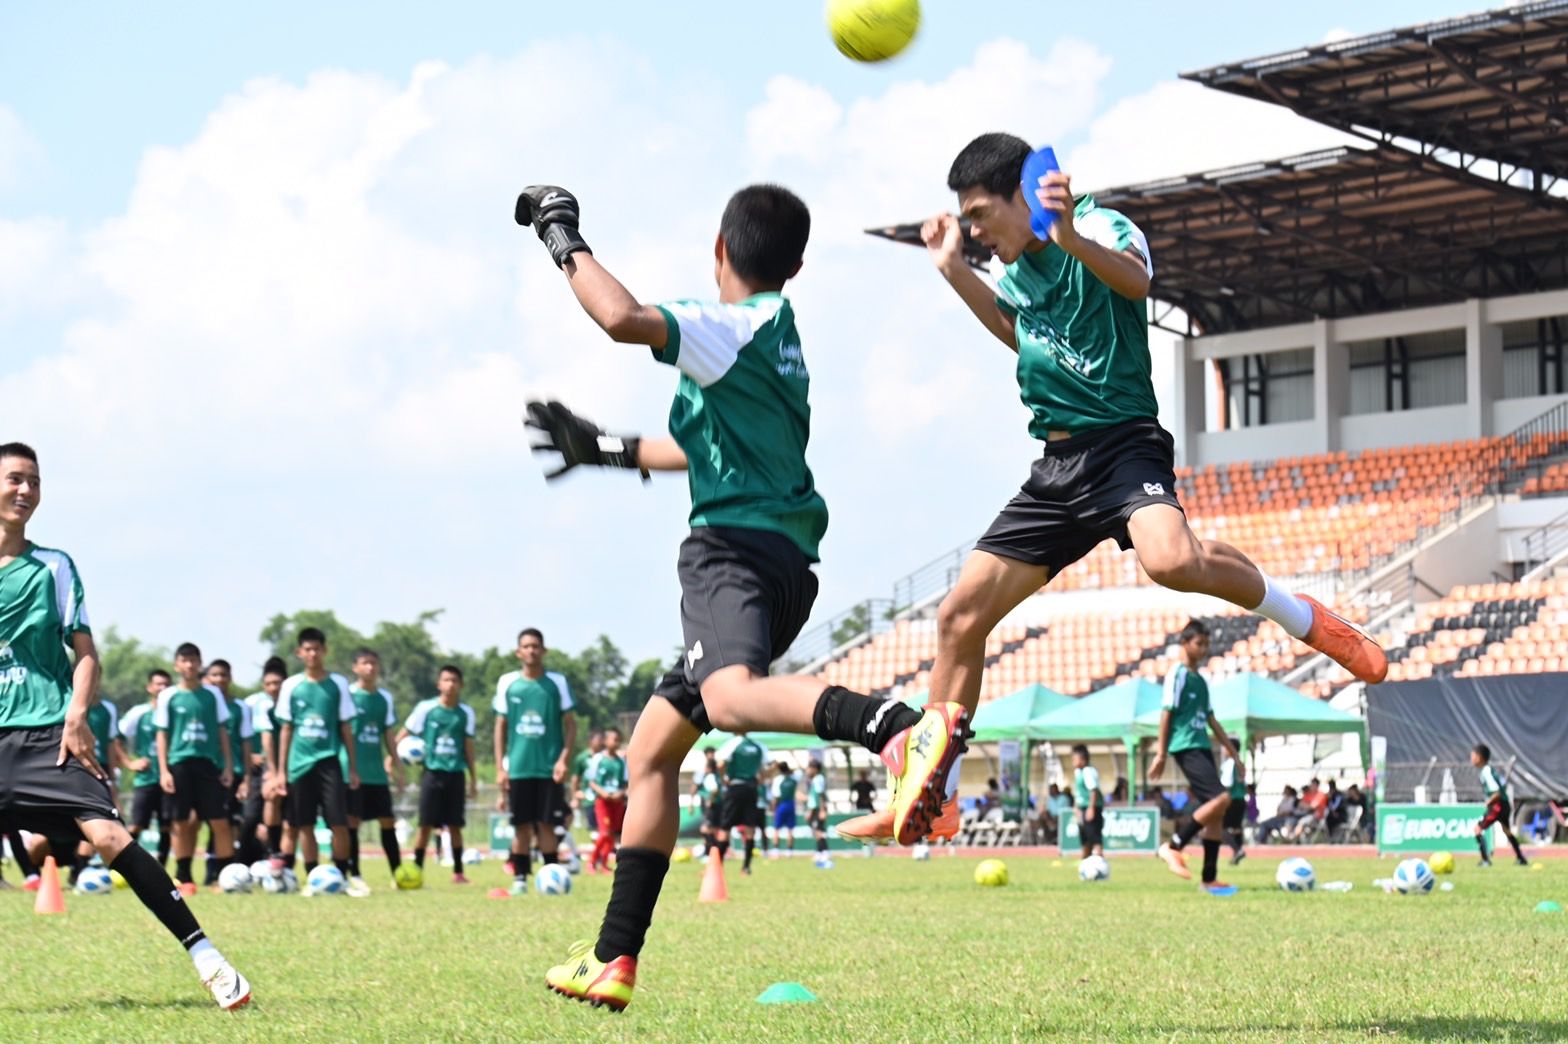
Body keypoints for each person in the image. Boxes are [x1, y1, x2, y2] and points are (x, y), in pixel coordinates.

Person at [838, 133, 1387, 846]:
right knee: (958, 617)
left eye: (977, 215)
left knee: (1171, 562)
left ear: (1022, 198)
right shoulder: (1012, 269)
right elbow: (1020, 332)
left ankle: (1302, 616)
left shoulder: (1098, 227)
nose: (970, 231)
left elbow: (1136, 282)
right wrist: (952, 272)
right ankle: (930, 791)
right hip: (1056, 467)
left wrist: (1064, 235)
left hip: (1124, 446)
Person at [517, 183, 971, 1011]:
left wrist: (559, 232)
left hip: (732, 555)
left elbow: (619, 316)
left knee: (729, 700)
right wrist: (603, 448)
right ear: (795, 265)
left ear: (719, 251)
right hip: (785, 560)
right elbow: (702, 450)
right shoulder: (777, 338)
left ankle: (899, 729)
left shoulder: (726, 326)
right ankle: (613, 958)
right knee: (650, 754)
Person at [0, 443, 250, 1007]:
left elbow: (86, 655)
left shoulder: (54, 567)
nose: (26, 491)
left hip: (47, 734)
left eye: (34, 482)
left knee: (111, 836)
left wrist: (76, 715)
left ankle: (208, 959)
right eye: (15, 479)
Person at [1151, 620, 1238, 891]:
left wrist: (1234, 754)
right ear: (1184, 643)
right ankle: (1173, 845)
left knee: (1216, 813)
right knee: (1222, 798)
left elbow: (1211, 719)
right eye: (1199, 643)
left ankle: (1209, 879)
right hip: (1185, 745)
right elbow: (1167, 712)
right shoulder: (1177, 674)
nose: (1203, 650)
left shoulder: (1200, 680)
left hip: (1200, 744)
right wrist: (1161, 753)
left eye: (1206, 645)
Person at [274, 627, 359, 891]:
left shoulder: (338, 684)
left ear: (325, 651)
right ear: (300, 653)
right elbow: (286, 729)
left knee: (338, 823)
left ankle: (341, 877)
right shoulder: (291, 686)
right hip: (299, 765)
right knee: (304, 825)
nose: (312, 654)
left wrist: (352, 767)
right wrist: (280, 771)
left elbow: (345, 727)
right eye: (307, 649)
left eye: (317, 649)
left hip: (329, 761)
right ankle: (313, 879)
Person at [493, 629, 576, 894]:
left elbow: (571, 725)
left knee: (547, 824)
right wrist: (500, 767)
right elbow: (500, 727)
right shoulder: (508, 683)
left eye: (536, 646)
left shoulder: (557, 683)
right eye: (526, 646)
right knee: (521, 826)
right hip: (518, 768)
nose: (531, 650)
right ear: (519, 652)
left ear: (544, 650)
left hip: (549, 768)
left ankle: (551, 873)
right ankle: (520, 879)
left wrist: (563, 759)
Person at [155, 642, 236, 896]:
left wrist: (229, 766)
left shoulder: (212, 694)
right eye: (184, 660)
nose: (189, 665)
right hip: (179, 764)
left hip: (208, 764)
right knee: (181, 822)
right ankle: (184, 876)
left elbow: (223, 731)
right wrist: (164, 770)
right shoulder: (168, 695)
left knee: (219, 821)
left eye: (194, 660)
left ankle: (225, 876)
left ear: (200, 663)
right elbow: (162, 735)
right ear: (176, 664)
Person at [397, 665, 476, 883]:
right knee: (425, 825)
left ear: (461, 685)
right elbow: (406, 731)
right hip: (432, 774)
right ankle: (417, 869)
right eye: (446, 680)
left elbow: (468, 747)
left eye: (454, 680)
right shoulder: (426, 708)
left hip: (455, 774)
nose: (450, 685)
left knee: (455, 826)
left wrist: (473, 779)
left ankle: (459, 873)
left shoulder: (465, 713)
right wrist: (390, 757)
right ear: (439, 684)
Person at [343, 648, 403, 894]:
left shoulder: (384, 698)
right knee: (352, 823)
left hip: (376, 771)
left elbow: (388, 732)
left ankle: (398, 874)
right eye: (365, 663)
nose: (370, 668)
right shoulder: (347, 695)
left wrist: (396, 763)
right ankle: (355, 873)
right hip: (353, 770)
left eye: (374, 664)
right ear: (355, 667)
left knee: (388, 821)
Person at [202, 659, 254, 884]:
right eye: (215, 675)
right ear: (208, 678)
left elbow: (246, 743)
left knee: (231, 824)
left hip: (235, 773)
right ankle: (210, 871)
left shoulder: (240, 707)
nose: (219, 680)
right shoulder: (204, 704)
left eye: (223, 675)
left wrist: (247, 779)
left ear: (230, 678)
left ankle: (231, 872)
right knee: (209, 823)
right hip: (209, 772)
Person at [121, 669, 174, 869]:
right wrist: (129, 762)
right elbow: (115, 738)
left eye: (166, 684)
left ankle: (161, 871)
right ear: (149, 687)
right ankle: (126, 867)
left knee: (167, 826)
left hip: (170, 778)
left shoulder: (175, 711)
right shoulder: (139, 713)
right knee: (136, 825)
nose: (162, 688)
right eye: (158, 684)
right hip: (146, 779)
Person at [244, 657, 292, 865]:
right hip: (262, 768)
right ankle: (270, 853)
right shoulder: (256, 704)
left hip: (295, 765)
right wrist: (271, 770)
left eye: (277, 683)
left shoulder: (294, 702)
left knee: (294, 818)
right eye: (269, 684)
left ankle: (286, 862)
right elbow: (261, 738)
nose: (273, 688)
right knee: (253, 815)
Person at [716, 731, 768, 874]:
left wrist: (723, 779)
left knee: (725, 827)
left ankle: (717, 867)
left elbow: (720, 765)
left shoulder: (733, 744)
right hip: (752, 788)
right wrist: (760, 779)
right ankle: (746, 867)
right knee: (750, 827)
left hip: (735, 787)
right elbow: (769, 767)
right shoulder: (758, 746)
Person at [1472, 743, 1528, 867]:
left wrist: (1488, 802)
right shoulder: (1487, 770)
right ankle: (1521, 858)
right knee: (1507, 831)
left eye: (1473, 755)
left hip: (1497, 805)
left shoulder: (1486, 771)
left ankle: (1485, 860)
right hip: (1504, 804)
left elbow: (1496, 792)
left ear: (1480, 757)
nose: (1471, 758)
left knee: (1477, 829)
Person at [585, 727, 628, 873]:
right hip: (603, 802)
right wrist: (603, 793)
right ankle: (592, 862)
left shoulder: (621, 762)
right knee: (604, 833)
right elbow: (591, 781)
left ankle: (603, 864)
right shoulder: (598, 759)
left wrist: (620, 793)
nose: (617, 743)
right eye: (614, 739)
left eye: (619, 740)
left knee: (613, 834)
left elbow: (626, 783)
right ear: (606, 741)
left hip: (617, 802)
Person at [1070, 744, 1103, 859]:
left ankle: (1099, 861)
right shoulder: (1078, 772)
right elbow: (1078, 792)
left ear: (1083, 759)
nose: (1072, 761)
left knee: (1094, 837)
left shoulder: (1088, 771)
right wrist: (1076, 807)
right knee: (1085, 837)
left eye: (1074, 758)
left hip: (1091, 807)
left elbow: (1093, 791)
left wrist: (1091, 808)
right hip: (1083, 807)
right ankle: (1085, 861)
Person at [571, 729, 603, 836]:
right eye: (598, 739)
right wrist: (575, 796)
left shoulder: (604, 757)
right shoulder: (581, 758)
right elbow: (575, 778)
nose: (601, 742)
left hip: (603, 796)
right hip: (589, 798)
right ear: (590, 741)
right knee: (593, 828)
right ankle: (599, 852)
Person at [1219, 750, 1246, 865]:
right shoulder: (1240, 763)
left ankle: (1237, 850)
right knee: (1237, 828)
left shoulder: (1230, 763)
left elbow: (1227, 783)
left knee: (1221, 828)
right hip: (1241, 799)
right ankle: (1236, 855)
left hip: (1232, 799)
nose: (1223, 750)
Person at [770, 760, 798, 854]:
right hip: (791, 804)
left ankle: (776, 849)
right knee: (790, 829)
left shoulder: (778, 779)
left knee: (776, 828)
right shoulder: (794, 777)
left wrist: (774, 810)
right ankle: (789, 851)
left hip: (781, 805)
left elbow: (775, 797)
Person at [804, 759, 829, 861]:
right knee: (817, 832)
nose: (807, 770)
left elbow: (820, 795)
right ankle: (820, 852)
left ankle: (825, 852)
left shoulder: (818, 779)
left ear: (814, 769)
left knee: (818, 832)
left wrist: (822, 810)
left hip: (817, 809)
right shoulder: (816, 779)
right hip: (816, 809)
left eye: (809, 768)